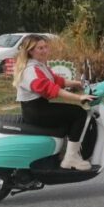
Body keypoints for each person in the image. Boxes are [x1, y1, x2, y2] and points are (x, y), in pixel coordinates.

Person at [13, 34, 95, 171]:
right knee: (78, 113)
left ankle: (65, 153)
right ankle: (71, 158)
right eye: (40, 48)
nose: (45, 50)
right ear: (30, 51)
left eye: (46, 47)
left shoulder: (38, 65)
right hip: (36, 111)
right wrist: (79, 98)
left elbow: (56, 80)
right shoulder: (31, 70)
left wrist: (79, 84)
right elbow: (52, 89)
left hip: (38, 109)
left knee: (70, 116)